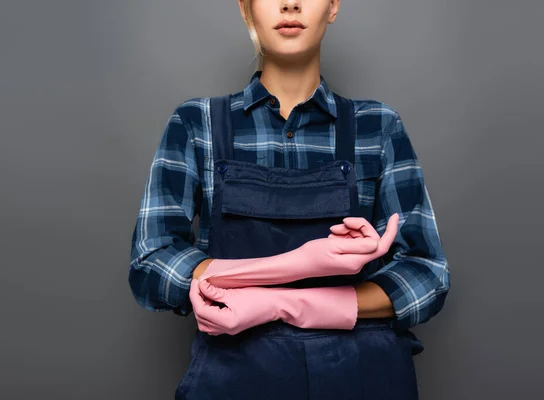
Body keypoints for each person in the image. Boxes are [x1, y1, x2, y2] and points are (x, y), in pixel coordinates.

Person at [129, 0, 450, 398]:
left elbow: (426, 276)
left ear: (332, 6)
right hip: (234, 379)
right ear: (246, 9)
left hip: (363, 379)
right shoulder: (198, 125)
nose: (290, 3)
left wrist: (286, 304)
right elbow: (151, 261)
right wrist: (290, 266)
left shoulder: (378, 127)